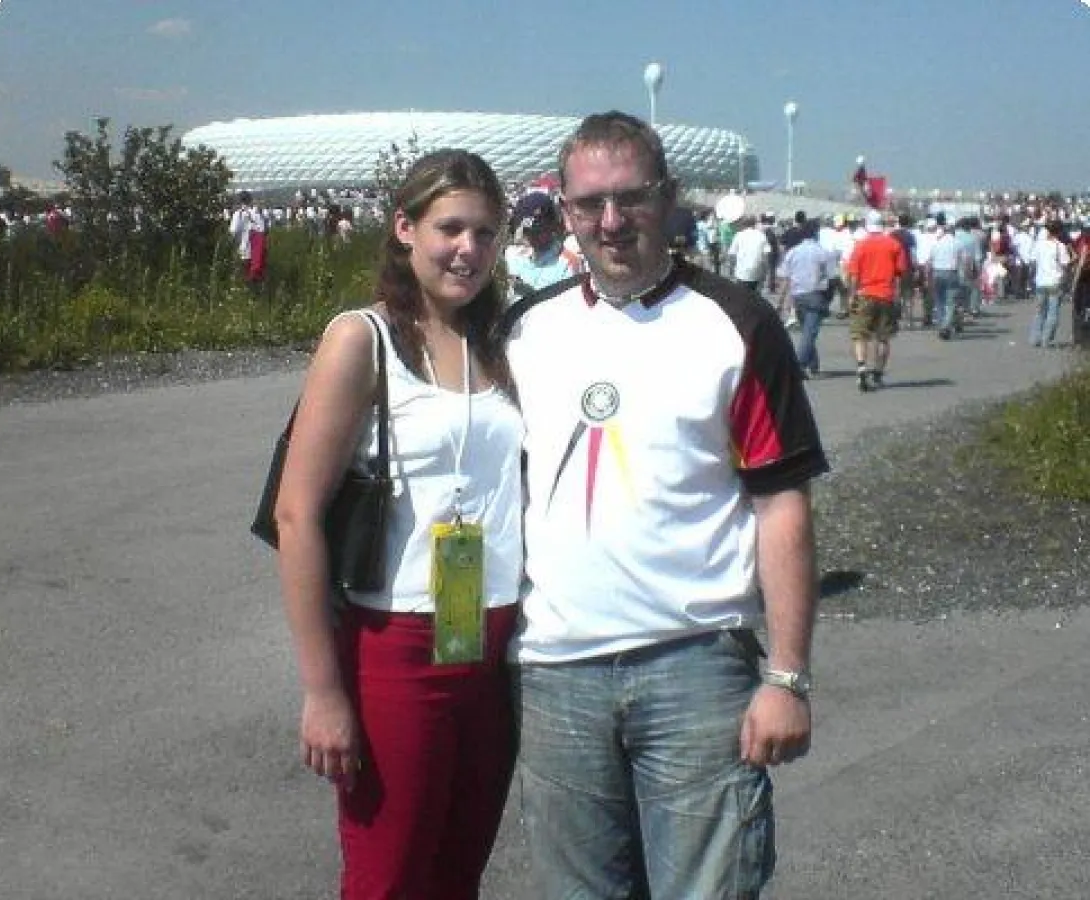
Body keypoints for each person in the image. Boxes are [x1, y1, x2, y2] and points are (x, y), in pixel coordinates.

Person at [504, 110, 827, 899]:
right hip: (555, 672)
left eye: (631, 199)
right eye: (589, 205)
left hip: (695, 668)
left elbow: (781, 504)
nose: (610, 223)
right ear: (565, 209)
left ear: (668, 198)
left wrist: (786, 678)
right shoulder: (523, 333)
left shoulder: (735, 324)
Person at [273, 149, 524, 899]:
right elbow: (296, 513)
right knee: (390, 876)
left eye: (486, 232)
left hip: (496, 640)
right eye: (450, 227)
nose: (468, 249)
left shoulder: (501, 344)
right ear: (404, 229)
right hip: (400, 645)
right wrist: (323, 691)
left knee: (458, 868)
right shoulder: (363, 339)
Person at [844, 209, 908, 391]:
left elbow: (854, 275)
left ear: (867, 225)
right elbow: (900, 274)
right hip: (886, 295)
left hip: (865, 293)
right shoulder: (894, 245)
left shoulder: (860, 245)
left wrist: (852, 295)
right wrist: (899, 296)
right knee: (883, 338)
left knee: (860, 334)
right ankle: (878, 372)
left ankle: (862, 366)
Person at [778, 217, 832, 378]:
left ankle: (813, 364)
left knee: (808, 331)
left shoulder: (793, 252)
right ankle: (800, 364)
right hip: (816, 294)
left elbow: (785, 278)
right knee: (810, 332)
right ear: (816, 234)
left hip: (798, 295)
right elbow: (831, 276)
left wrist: (782, 302)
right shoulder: (822, 252)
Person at [504, 191, 581, 301]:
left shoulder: (568, 264)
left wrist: (530, 295)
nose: (532, 236)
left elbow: (568, 308)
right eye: (527, 231)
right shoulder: (513, 256)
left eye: (538, 230)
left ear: (552, 224)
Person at [1028, 218, 1071, 348]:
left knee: (1040, 311)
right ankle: (1046, 339)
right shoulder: (1060, 246)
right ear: (1059, 232)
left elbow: (1033, 260)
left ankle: (1035, 338)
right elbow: (1065, 263)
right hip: (1054, 282)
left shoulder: (1039, 244)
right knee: (1052, 313)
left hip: (1040, 281)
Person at [229, 191, 268, 285]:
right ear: (250, 200)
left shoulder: (238, 214)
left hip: (242, 249)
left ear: (239, 201)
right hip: (255, 252)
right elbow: (263, 231)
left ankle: (242, 292)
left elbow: (233, 231)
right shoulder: (256, 214)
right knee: (254, 276)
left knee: (240, 276)